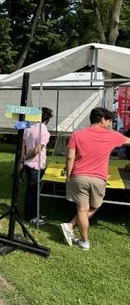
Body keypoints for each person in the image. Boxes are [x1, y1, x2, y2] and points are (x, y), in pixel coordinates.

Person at [60, 107, 130, 250]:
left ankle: (83, 240)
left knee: (82, 209)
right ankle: (72, 228)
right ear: (102, 119)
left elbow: (70, 157)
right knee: (95, 206)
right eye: (109, 120)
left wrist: (68, 175)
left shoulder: (77, 135)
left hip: (78, 176)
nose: (110, 123)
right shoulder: (112, 135)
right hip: (99, 178)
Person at [22, 107, 53, 224]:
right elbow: (36, 150)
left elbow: (23, 146)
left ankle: (33, 213)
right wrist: (26, 157)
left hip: (28, 164)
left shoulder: (28, 128)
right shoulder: (44, 132)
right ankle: (31, 216)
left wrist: (22, 160)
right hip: (36, 165)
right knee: (33, 191)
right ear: (47, 119)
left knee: (32, 190)